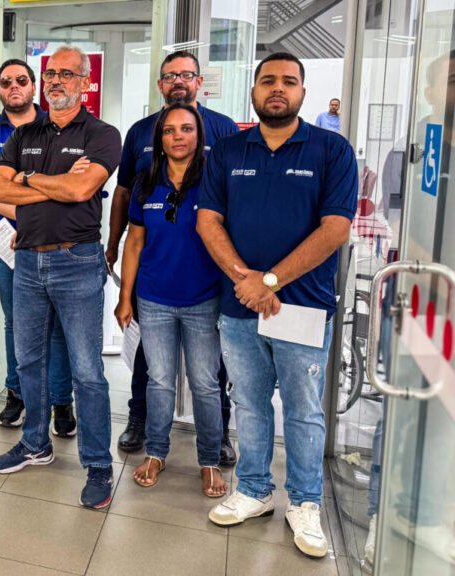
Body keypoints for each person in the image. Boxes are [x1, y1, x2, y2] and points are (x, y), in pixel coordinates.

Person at [198, 52, 357, 558]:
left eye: (289, 81)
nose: (278, 89)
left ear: (303, 93)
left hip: (303, 306)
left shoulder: (331, 150)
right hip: (240, 305)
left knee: (304, 410)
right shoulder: (228, 150)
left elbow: (336, 228)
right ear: (254, 91)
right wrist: (245, 280)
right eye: (268, 80)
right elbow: (207, 221)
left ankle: (305, 503)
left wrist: (269, 281)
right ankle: (254, 490)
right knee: (249, 403)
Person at [0, 45, 122, 509]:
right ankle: (34, 443)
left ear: (85, 81)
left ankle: (98, 464)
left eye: (66, 74)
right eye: (50, 74)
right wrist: (53, 183)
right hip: (27, 261)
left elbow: (82, 189)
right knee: (28, 360)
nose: (56, 81)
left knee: (87, 371)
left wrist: (27, 179)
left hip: (77, 261)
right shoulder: (24, 133)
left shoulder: (102, 134)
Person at [105, 51, 238, 464]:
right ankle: (141, 422)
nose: (178, 81)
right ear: (160, 84)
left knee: (209, 374)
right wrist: (113, 243)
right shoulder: (140, 133)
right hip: (154, 283)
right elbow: (125, 195)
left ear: (199, 82)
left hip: (205, 287)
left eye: (186, 74)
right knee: (150, 363)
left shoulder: (224, 130)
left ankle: (217, 437)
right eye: (169, 75)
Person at [115, 104, 226, 497]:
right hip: (154, 299)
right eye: (169, 130)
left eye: (187, 129)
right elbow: (134, 242)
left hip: (204, 299)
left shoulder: (215, 181)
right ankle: (156, 453)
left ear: (199, 135)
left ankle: (209, 460)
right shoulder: (145, 183)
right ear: (159, 139)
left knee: (205, 384)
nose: (178, 136)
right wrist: (125, 297)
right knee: (159, 381)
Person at [0, 58, 79, 434]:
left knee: (57, 326)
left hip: (55, 240)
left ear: (34, 86)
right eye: (5, 82)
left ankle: (61, 400)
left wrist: (23, 192)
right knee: (17, 323)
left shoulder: (57, 126)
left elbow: (71, 188)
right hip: (5, 244)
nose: (13, 86)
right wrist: (38, 200)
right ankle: (18, 394)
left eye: (21, 80)